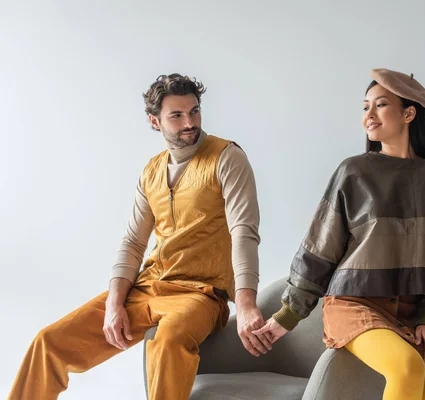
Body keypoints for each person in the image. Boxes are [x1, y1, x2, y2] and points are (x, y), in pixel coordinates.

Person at [9, 73, 271, 400]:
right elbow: (133, 243)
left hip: (202, 293)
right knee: (49, 342)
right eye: (176, 115)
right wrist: (115, 303)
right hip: (148, 286)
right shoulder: (151, 171)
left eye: (194, 111)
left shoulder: (227, 157)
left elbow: (244, 231)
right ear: (154, 120)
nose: (189, 122)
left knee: (169, 339)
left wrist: (246, 303)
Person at [255, 68, 425, 399]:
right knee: (406, 366)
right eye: (365, 106)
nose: (369, 114)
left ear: (409, 113)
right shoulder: (353, 172)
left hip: (411, 313)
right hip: (354, 305)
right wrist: (288, 315)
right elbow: (320, 248)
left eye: (380, 105)